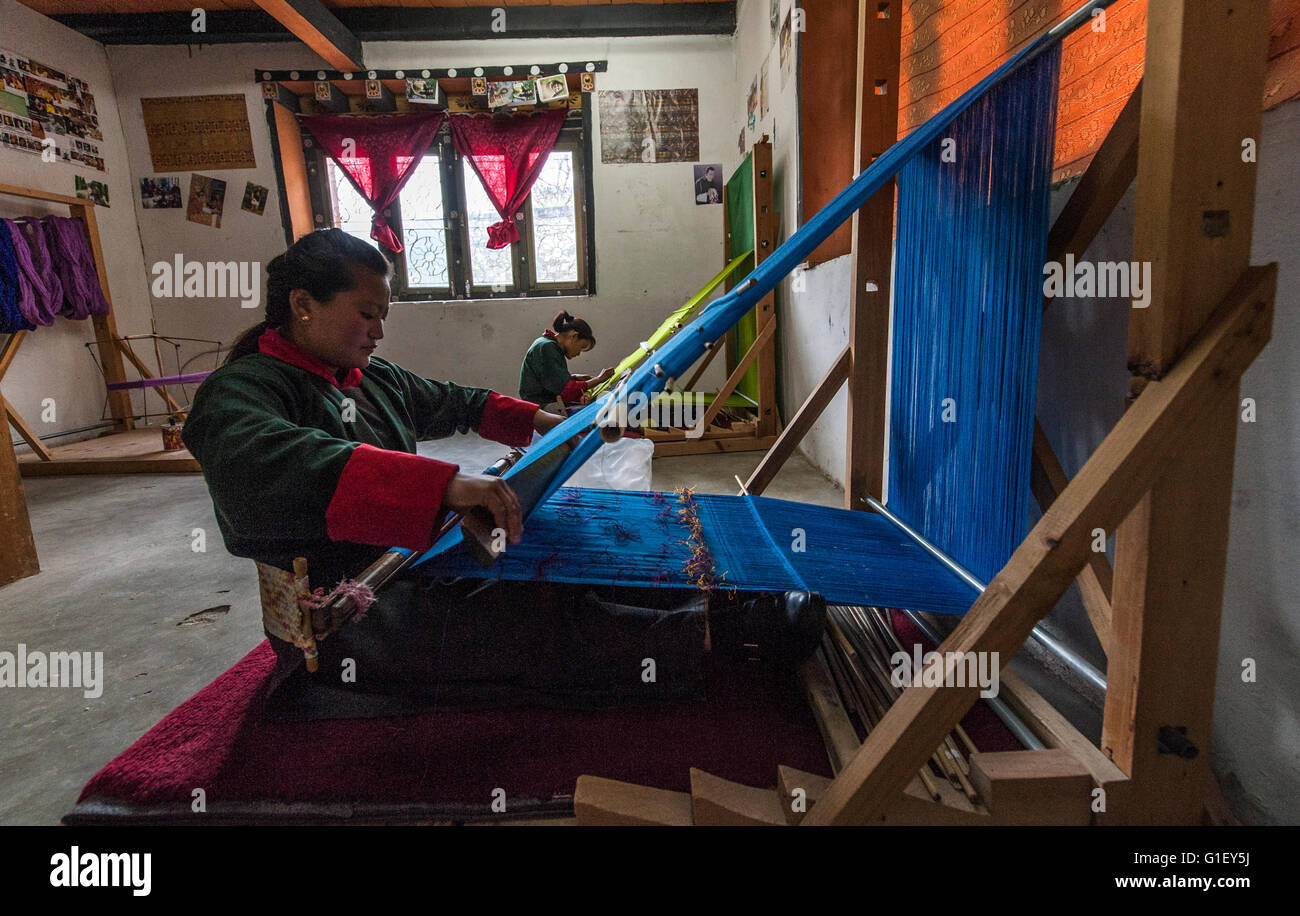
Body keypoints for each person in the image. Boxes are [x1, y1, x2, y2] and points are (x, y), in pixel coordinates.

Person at [183, 229, 824, 720]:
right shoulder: (242, 393)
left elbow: (458, 401)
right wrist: (443, 486)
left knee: (559, 565)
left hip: (413, 564)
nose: (380, 332)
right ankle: (723, 631)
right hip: (358, 621)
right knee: (534, 624)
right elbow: (273, 463)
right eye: (367, 314)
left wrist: (552, 426)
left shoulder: (367, 379)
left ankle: (723, 595)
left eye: (384, 315)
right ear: (302, 305)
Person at [518, 311, 614, 410]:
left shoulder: (548, 344)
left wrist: (574, 378)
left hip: (547, 402)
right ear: (574, 336)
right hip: (542, 407)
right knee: (599, 410)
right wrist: (599, 379)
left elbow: (550, 379)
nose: (578, 353)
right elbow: (566, 390)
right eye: (581, 347)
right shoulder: (547, 347)